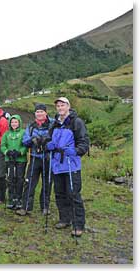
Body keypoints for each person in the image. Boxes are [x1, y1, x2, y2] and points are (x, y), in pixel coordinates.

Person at [46, 97, 89, 237]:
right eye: (58, 105)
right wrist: (48, 145)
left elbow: (84, 142)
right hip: (57, 164)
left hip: (71, 164)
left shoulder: (76, 122)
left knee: (73, 194)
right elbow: (48, 139)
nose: (60, 108)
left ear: (68, 106)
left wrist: (76, 151)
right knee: (59, 193)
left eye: (62, 105)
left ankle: (78, 225)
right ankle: (65, 219)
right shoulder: (54, 124)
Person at [17, 103, 54, 216]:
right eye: (37, 112)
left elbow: (57, 137)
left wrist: (46, 140)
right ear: (35, 113)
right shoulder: (31, 126)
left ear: (45, 113)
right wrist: (33, 139)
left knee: (47, 183)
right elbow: (25, 140)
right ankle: (26, 207)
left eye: (41, 111)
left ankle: (45, 206)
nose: (39, 114)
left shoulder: (52, 124)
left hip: (48, 157)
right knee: (29, 182)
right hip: (35, 157)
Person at [0, 114, 28, 210]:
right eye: (12, 122)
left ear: (19, 122)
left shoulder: (23, 132)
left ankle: (19, 199)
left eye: (16, 122)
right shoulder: (6, 134)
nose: (14, 124)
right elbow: (2, 146)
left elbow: (25, 144)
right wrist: (7, 152)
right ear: (9, 123)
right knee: (11, 179)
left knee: (20, 179)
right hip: (10, 160)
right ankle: (11, 199)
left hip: (20, 160)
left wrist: (20, 152)